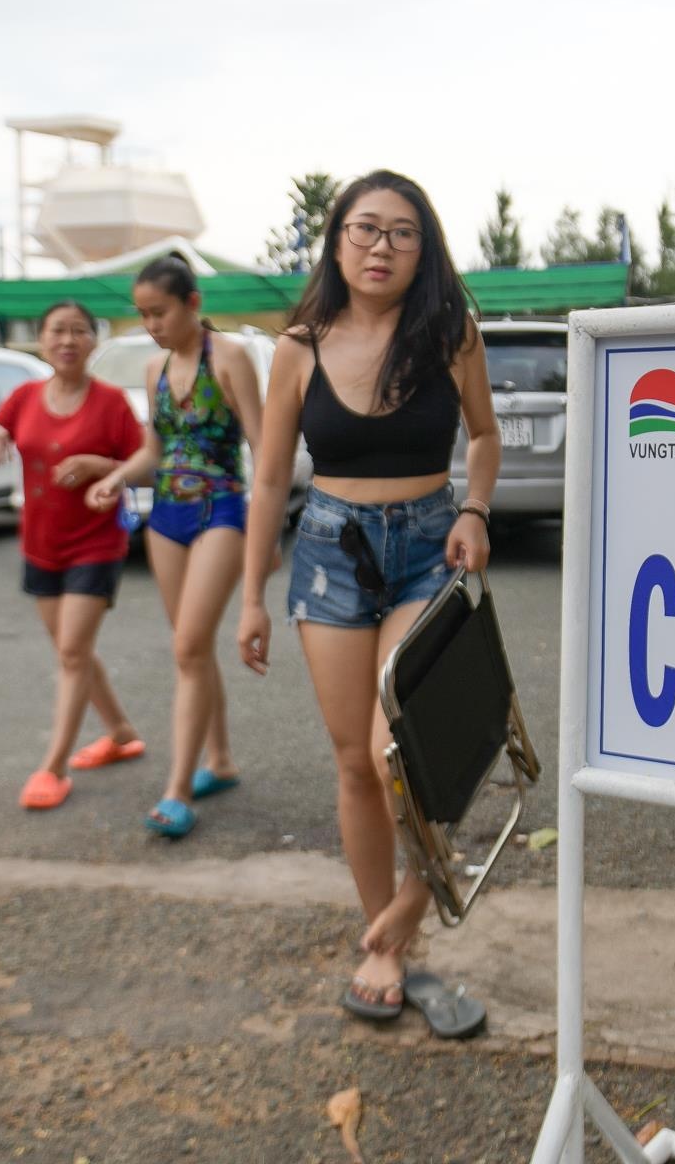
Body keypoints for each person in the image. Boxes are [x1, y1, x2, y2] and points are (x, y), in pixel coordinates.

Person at [236, 169, 501, 1024]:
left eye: (401, 231)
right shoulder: (298, 348)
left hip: (429, 548)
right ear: (337, 241)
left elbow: (486, 436)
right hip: (329, 555)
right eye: (364, 229)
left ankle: (416, 904)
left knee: (403, 756)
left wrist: (475, 509)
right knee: (354, 761)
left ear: (423, 247)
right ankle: (383, 943)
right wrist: (249, 596)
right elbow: (272, 477)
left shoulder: (450, 334)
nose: (380, 246)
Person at [84, 256, 260, 838]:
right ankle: (222, 760)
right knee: (194, 647)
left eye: (159, 311)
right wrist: (114, 477)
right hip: (166, 517)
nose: (151, 324)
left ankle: (178, 789)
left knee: (187, 646)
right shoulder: (154, 371)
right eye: (142, 315)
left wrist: (266, 536)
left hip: (222, 511)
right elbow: (153, 452)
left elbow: (264, 447)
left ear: (192, 302)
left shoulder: (230, 357)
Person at [0, 300, 146, 811]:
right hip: (40, 544)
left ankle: (52, 767)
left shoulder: (111, 402)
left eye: (78, 331)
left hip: (96, 542)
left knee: (71, 652)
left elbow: (144, 463)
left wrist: (100, 466)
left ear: (94, 340)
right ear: (42, 340)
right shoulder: (23, 397)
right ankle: (119, 732)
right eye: (57, 331)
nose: (67, 340)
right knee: (75, 651)